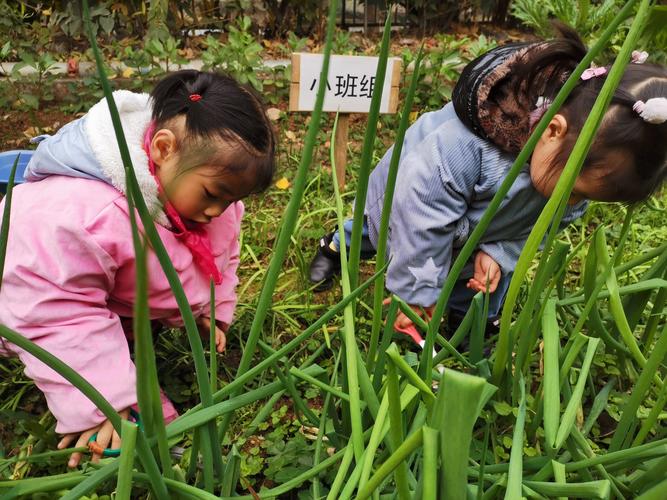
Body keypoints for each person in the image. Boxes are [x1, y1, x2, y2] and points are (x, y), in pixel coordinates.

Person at [309, 26, 667, 333]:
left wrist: (500, 252)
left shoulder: (569, 171)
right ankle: (335, 247)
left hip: (483, 231)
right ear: (554, 130)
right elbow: (417, 213)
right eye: (572, 191)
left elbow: (541, 228)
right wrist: (416, 294)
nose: (571, 204)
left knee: (480, 281)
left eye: (585, 198)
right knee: (372, 232)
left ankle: (469, 326)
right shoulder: (467, 147)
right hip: (407, 205)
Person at [0, 70, 275, 467]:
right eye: (214, 195)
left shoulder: (205, 198)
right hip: (26, 298)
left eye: (233, 200)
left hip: (107, 296)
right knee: (126, 420)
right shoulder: (85, 218)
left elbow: (221, 252)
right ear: (163, 149)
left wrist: (214, 310)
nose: (219, 211)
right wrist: (106, 401)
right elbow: (55, 314)